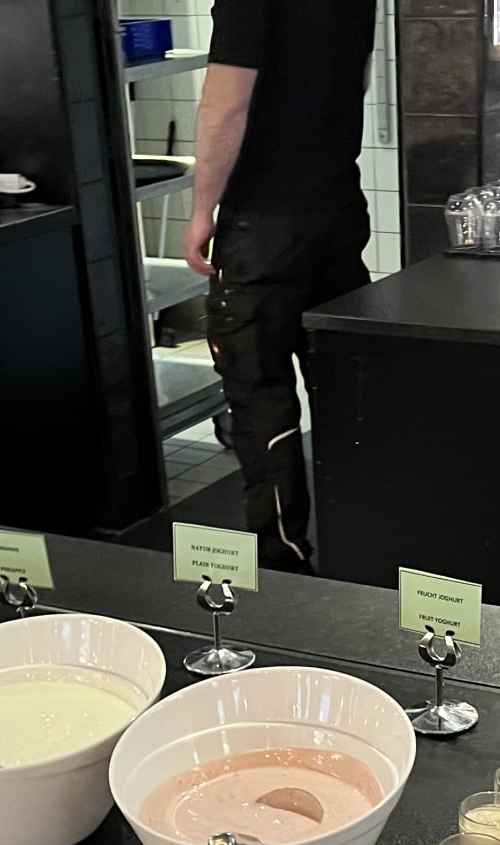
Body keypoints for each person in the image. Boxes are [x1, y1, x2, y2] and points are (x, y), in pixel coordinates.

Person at [183, 0, 376, 572]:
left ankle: (284, 561)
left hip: (263, 224)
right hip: (338, 210)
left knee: (260, 397)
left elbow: (225, 105)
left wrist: (202, 210)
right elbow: (359, 76)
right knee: (345, 396)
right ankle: (365, 551)